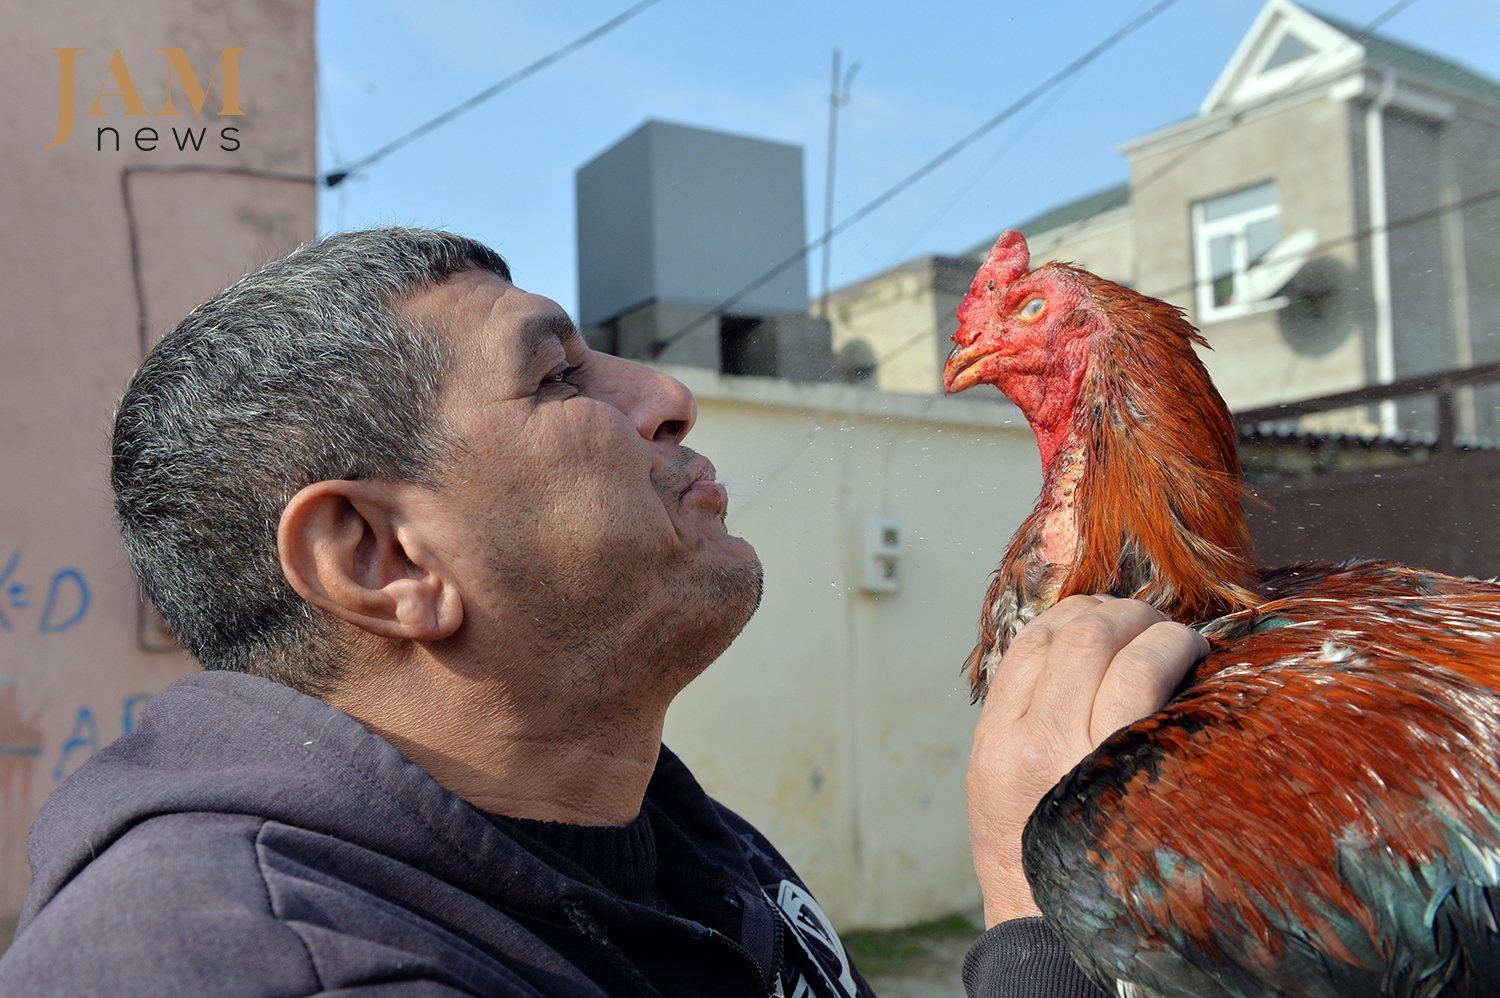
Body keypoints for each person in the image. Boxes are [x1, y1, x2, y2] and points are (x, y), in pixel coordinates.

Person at [0, 228, 1205, 997]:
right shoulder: (242, 962)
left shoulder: (679, 847)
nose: (669, 397)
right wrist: (1044, 922)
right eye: (560, 376)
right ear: (378, 555)